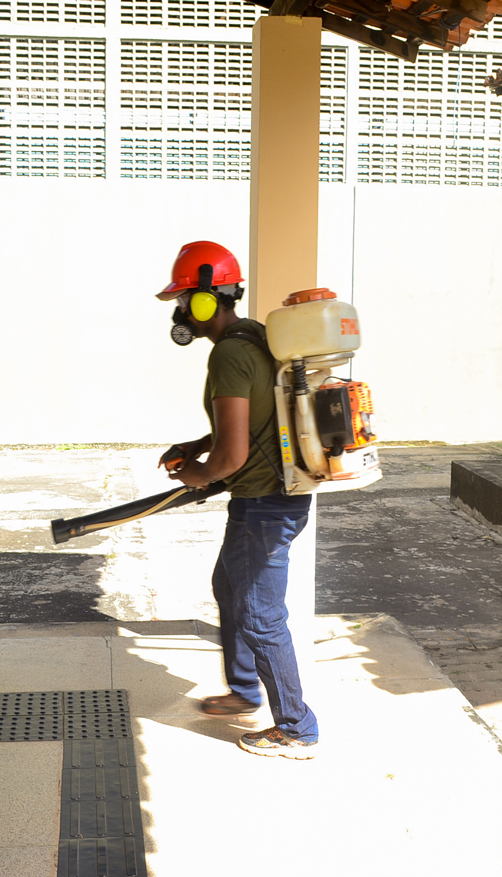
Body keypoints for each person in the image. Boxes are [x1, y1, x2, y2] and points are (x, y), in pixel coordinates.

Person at [156, 240, 318, 759]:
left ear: (207, 300)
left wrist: (197, 474)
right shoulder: (255, 341)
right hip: (266, 498)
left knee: (260, 615)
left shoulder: (229, 353)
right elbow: (250, 423)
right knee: (229, 585)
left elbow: (231, 457)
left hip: (265, 503)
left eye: (185, 301)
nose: (181, 313)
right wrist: (195, 449)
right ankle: (246, 692)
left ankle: (296, 728)